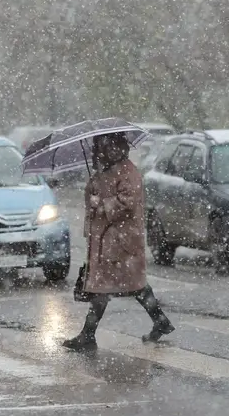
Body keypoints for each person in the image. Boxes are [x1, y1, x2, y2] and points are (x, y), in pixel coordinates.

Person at [62, 132, 175, 351]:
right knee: (131, 286)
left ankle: (88, 335)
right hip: (109, 241)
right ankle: (159, 321)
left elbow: (127, 203)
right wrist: (93, 192)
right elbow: (95, 196)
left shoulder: (128, 172)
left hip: (120, 242)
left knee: (109, 288)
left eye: (103, 148)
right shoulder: (106, 171)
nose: (100, 153)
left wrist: (102, 203)